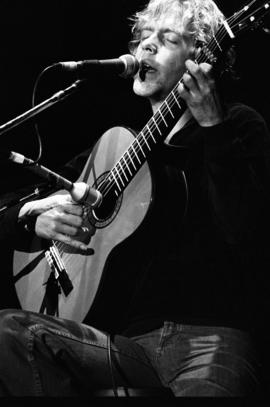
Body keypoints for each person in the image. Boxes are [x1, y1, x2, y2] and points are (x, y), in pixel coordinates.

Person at [1, 0, 270, 397]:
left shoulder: (237, 125)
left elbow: (248, 230)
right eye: (143, 37)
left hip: (210, 341)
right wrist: (30, 216)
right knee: (11, 333)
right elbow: (13, 203)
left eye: (166, 39)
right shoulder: (114, 150)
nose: (145, 47)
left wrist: (213, 127)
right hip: (121, 346)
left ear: (201, 55)